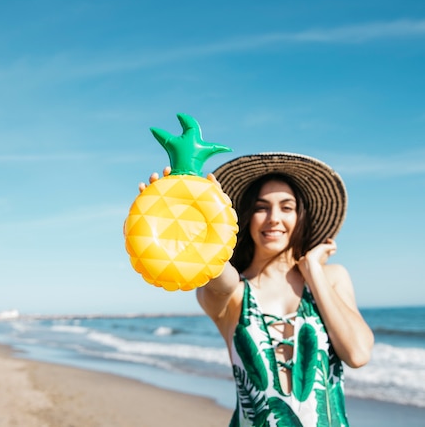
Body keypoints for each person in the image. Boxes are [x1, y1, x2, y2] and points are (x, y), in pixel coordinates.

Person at [143, 152, 374, 427]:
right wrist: (195, 226)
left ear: (300, 217)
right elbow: (220, 277)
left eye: (287, 208)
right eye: (261, 207)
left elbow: (357, 354)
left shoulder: (331, 278)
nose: (274, 218)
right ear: (246, 217)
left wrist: (313, 270)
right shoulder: (235, 292)